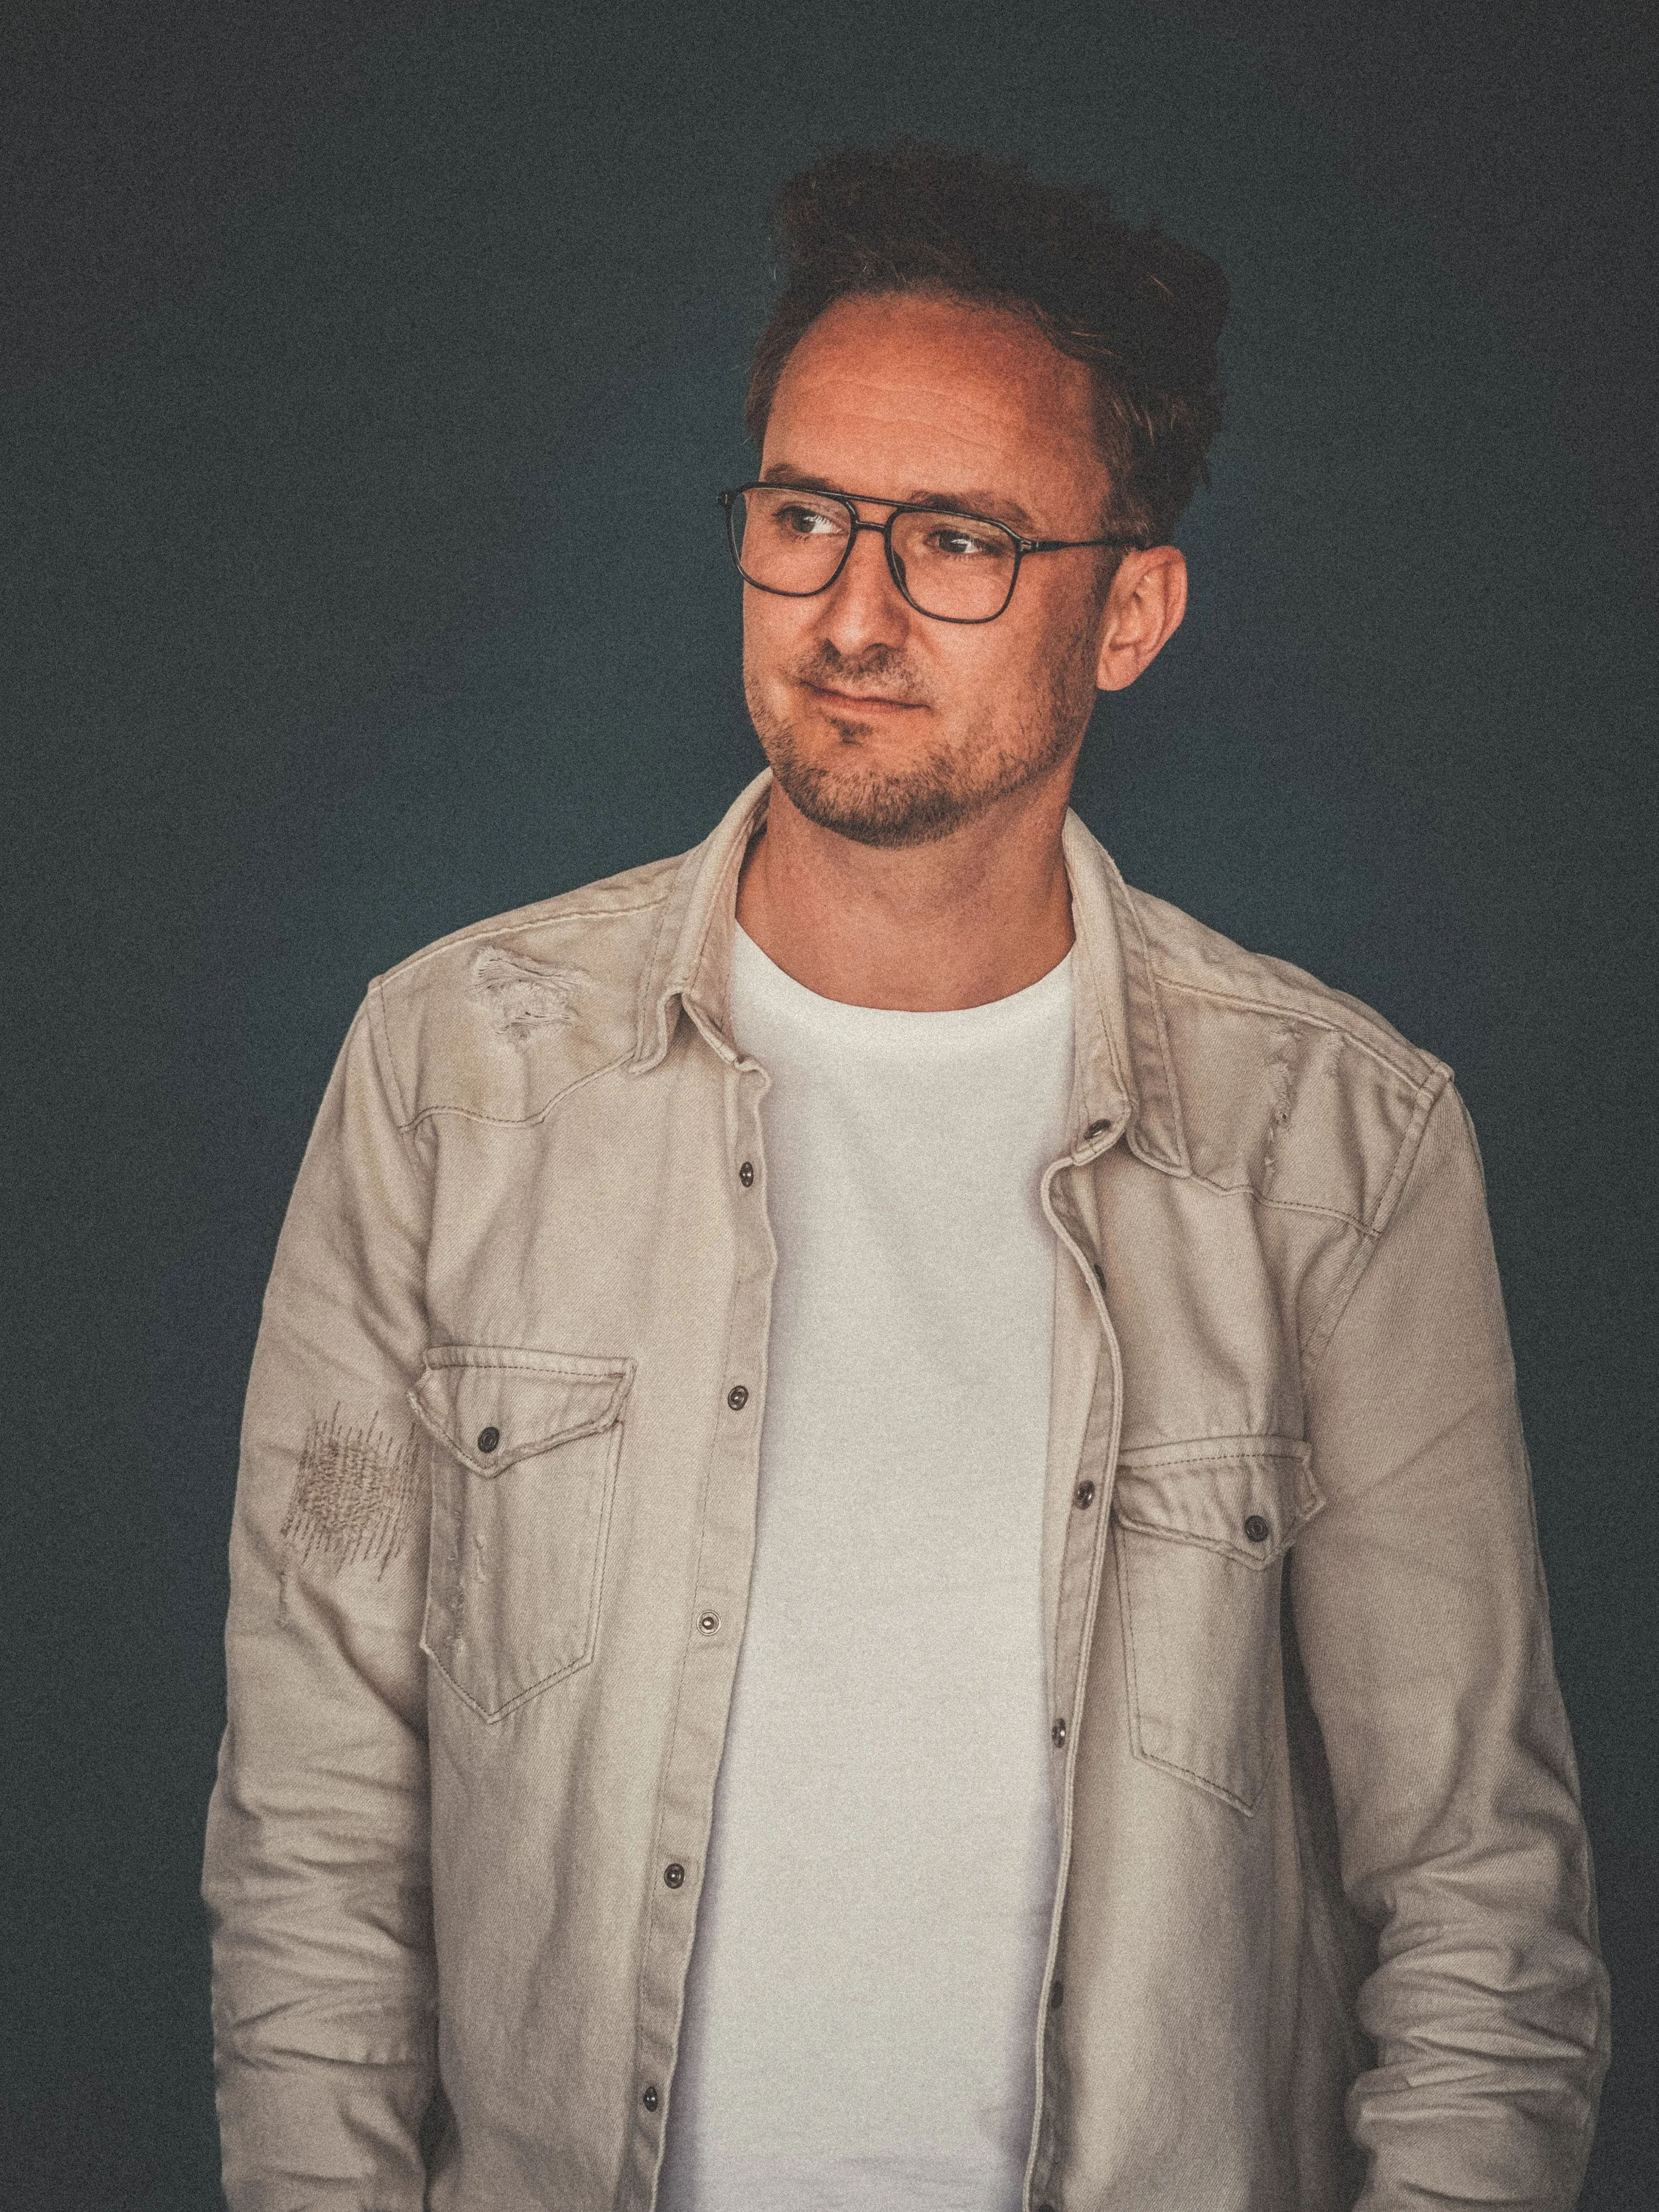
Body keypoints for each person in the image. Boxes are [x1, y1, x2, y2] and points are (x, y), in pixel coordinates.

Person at [202, 142, 1609, 2212]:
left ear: (1128, 607)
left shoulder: (1336, 1149)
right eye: (800, 519)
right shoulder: (453, 1075)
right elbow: (313, 1847)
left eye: (955, 540)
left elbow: (1480, 1910)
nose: (851, 612)